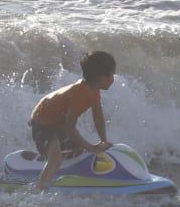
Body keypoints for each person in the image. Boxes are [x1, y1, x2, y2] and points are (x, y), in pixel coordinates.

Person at [29, 51, 116, 191]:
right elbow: (70, 128)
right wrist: (92, 147)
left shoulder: (94, 90)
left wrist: (104, 140)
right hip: (42, 121)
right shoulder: (80, 94)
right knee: (56, 157)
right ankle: (39, 188)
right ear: (101, 77)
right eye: (112, 75)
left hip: (57, 122)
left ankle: (61, 174)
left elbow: (97, 116)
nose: (113, 78)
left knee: (77, 151)